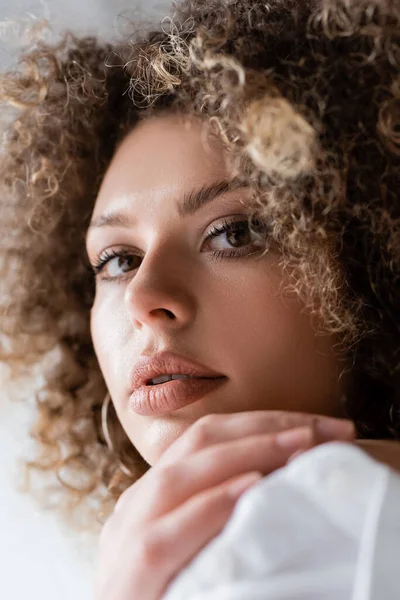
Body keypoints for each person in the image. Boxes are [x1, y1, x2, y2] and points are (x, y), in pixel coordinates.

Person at [0, 0, 399, 598]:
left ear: (370, 266)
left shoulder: (285, 533)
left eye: (234, 233)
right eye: (118, 260)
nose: (144, 296)